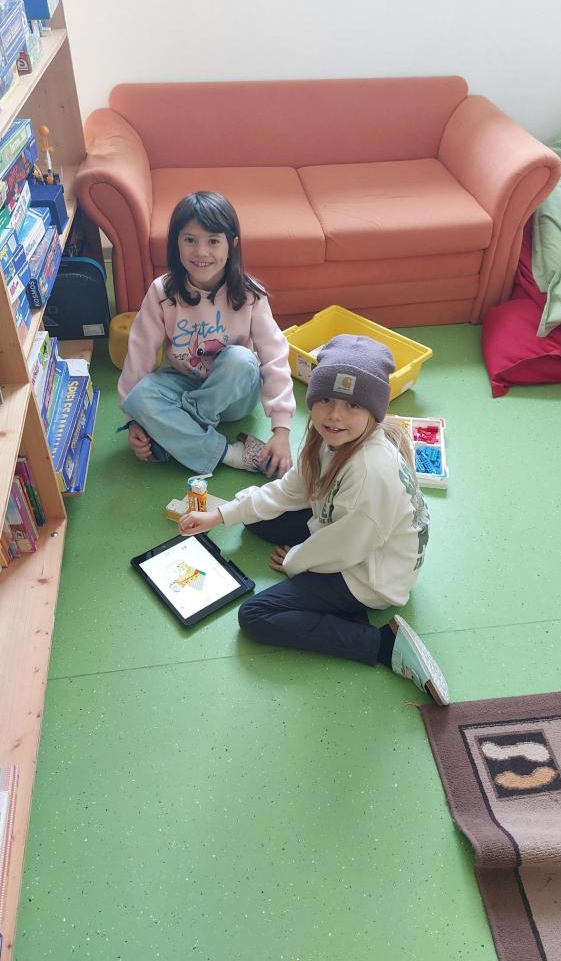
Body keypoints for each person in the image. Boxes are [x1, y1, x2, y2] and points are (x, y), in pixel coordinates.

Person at [179, 334, 449, 705]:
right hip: (351, 530)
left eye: (352, 405)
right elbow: (290, 490)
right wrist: (219, 515)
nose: (335, 415)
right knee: (256, 519)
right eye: (326, 400)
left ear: (373, 411)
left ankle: (381, 644)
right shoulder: (328, 438)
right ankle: (337, 610)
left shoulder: (370, 472)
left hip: (372, 575)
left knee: (255, 616)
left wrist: (297, 561)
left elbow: (343, 549)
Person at [118, 191, 295, 476]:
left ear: (232, 245)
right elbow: (140, 355)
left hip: (235, 393)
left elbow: (274, 356)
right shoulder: (162, 292)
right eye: (190, 240)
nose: (201, 252)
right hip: (184, 384)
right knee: (138, 397)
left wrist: (282, 430)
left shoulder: (250, 294)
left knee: (241, 359)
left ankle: (182, 430)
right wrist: (134, 420)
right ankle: (229, 454)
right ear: (176, 243)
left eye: (213, 241)